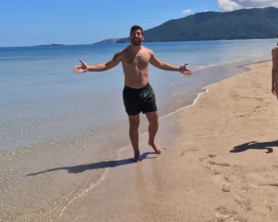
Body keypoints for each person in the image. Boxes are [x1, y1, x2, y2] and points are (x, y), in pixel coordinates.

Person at [73, 25, 193, 162]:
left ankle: (151, 141)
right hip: (130, 93)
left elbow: (161, 64)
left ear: (143, 37)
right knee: (134, 124)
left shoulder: (148, 53)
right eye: (133, 34)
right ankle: (136, 151)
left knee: (154, 121)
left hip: (147, 91)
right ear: (130, 36)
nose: (135, 36)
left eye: (138, 34)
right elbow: (106, 65)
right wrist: (88, 67)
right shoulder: (122, 54)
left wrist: (178, 68)